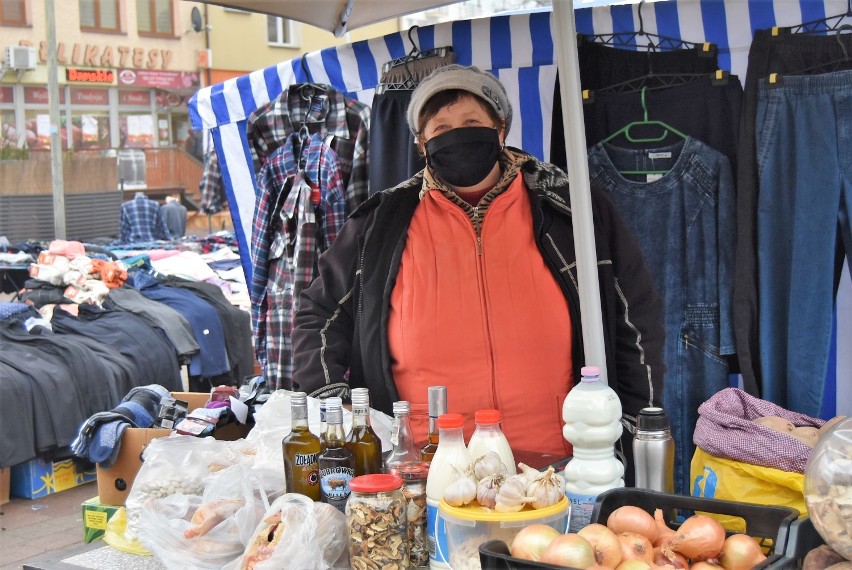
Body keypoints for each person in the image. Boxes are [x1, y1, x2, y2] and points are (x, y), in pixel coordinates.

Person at [292, 65, 665, 468]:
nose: (457, 135)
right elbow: (319, 313)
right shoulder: (381, 223)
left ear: (500, 128)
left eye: (472, 122)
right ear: (421, 143)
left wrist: (633, 422)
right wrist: (332, 399)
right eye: (440, 128)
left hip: (557, 461)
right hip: (427, 463)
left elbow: (634, 318)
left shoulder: (569, 207)